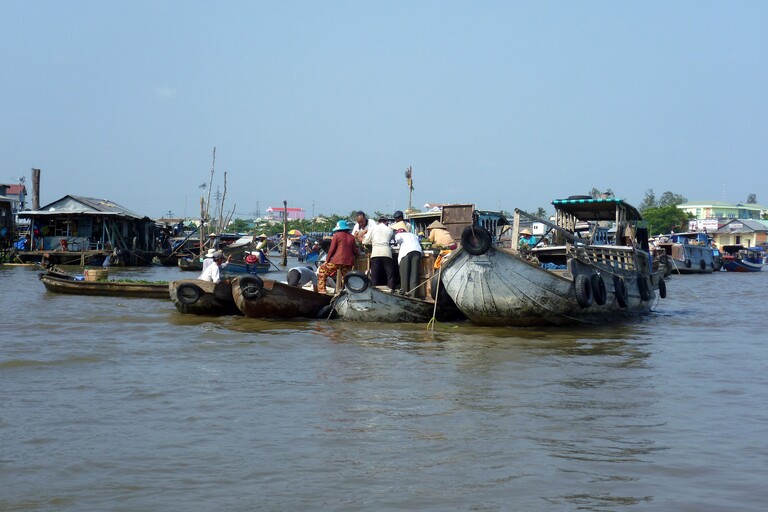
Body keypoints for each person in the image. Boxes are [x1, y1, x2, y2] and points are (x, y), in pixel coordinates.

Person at [317, 220, 359, 294]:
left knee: (322, 270)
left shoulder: (337, 235)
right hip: (348, 262)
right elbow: (355, 251)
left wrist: (327, 260)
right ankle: (347, 292)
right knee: (346, 277)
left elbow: (332, 249)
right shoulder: (352, 237)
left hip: (337, 260)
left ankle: (322, 290)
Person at [363, 214, 396, 291]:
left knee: (374, 275)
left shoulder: (373, 228)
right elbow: (393, 241)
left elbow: (365, 241)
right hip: (386, 253)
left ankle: (373, 291)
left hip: (376, 253)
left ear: (378, 221)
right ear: (386, 222)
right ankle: (391, 290)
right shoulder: (390, 229)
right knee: (390, 275)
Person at [394, 228, 423, 297]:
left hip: (406, 252)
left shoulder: (398, 235)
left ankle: (404, 294)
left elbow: (398, 240)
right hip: (417, 252)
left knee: (405, 275)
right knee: (414, 275)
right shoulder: (413, 235)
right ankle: (413, 295)